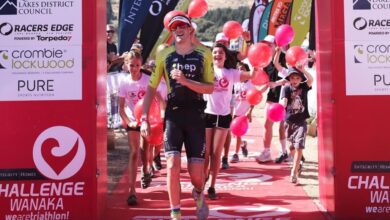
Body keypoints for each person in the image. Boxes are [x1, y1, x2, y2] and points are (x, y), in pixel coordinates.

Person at [140, 14, 213, 220]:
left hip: (196, 115)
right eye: (174, 27)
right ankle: (175, 213)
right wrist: (144, 117)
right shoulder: (165, 55)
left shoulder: (204, 54)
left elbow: (210, 88)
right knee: (172, 165)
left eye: (183, 26)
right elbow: (151, 89)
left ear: (191, 30)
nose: (178, 29)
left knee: (196, 174)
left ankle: (198, 192)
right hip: (173, 114)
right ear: (171, 32)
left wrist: (186, 81)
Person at [203, 43, 256, 200]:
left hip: (224, 116)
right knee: (205, 154)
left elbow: (252, 75)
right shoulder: (206, 71)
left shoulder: (232, 73)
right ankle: (203, 179)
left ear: (225, 57)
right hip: (207, 115)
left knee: (215, 153)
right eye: (215, 52)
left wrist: (257, 62)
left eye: (221, 52)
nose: (217, 55)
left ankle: (212, 186)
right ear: (211, 56)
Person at [118, 50, 152, 206]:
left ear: (141, 65)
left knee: (145, 153)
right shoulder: (124, 82)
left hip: (147, 119)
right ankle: (132, 191)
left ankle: (146, 170)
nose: (134, 69)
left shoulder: (147, 80)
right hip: (133, 121)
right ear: (126, 65)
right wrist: (128, 121)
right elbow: (121, 108)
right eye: (131, 65)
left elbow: (154, 100)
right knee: (133, 153)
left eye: (137, 65)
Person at [255, 35, 288, 164]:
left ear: (276, 45)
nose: (267, 47)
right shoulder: (265, 61)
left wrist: (277, 84)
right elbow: (267, 81)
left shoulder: (285, 57)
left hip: (285, 96)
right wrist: (259, 92)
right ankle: (266, 151)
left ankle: (285, 152)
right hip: (272, 96)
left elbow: (291, 77)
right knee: (267, 124)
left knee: (283, 127)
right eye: (265, 44)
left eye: (270, 44)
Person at [280, 66, 313, 184]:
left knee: (299, 146)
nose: (294, 80)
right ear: (289, 78)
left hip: (301, 121)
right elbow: (284, 101)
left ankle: (294, 172)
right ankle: (297, 164)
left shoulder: (304, 87)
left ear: (300, 79)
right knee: (291, 147)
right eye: (292, 77)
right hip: (289, 121)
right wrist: (281, 107)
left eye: (297, 78)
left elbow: (311, 80)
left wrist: (303, 70)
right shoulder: (286, 89)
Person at [227, 62, 255, 163]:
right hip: (233, 110)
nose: (240, 70)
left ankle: (235, 154)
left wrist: (250, 112)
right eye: (238, 69)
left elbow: (254, 99)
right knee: (232, 132)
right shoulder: (234, 82)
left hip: (243, 113)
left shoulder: (251, 84)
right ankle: (243, 144)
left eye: (242, 68)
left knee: (237, 133)